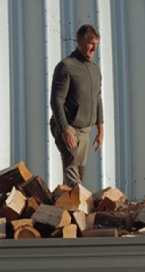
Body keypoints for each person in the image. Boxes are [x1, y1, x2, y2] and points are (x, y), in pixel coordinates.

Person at [50, 24, 104, 187]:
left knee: (79, 172)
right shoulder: (66, 67)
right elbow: (56, 100)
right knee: (72, 168)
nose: (93, 48)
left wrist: (100, 130)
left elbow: (98, 100)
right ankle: (80, 205)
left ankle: (65, 208)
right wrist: (64, 129)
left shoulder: (95, 70)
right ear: (79, 42)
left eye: (96, 44)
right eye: (90, 43)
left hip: (85, 131)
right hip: (68, 127)